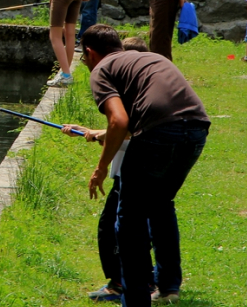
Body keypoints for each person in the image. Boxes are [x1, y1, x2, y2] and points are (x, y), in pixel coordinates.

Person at [80, 24, 210, 306]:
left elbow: (119, 121)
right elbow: (145, 113)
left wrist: (100, 169)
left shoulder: (102, 70)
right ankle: (167, 286)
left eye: (83, 57)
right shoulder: (153, 59)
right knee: (161, 205)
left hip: (160, 134)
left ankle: (136, 300)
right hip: (197, 130)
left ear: (90, 53)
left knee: (129, 221)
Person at [59, 36, 150, 303]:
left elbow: (124, 131)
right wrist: (89, 132)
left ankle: (119, 283)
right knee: (137, 226)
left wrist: (99, 163)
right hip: (141, 168)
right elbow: (124, 129)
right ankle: (141, 279)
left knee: (112, 227)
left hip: (129, 174)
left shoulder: (121, 85)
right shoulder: (142, 88)